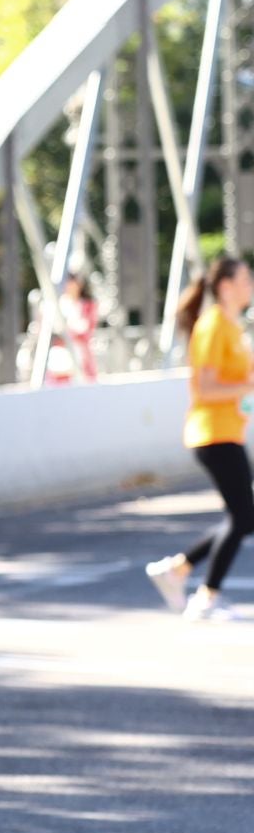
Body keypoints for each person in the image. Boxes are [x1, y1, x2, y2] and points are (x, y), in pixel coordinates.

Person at [147, 255, 254, 622]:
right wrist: (247, 386)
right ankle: (205, 596)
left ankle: (179, 571)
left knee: (245, 517)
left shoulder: (233, 327)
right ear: (225, 286)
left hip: (229, 432)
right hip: (211, 434)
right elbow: (206, 388)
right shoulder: (212, 325)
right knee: (242, 517)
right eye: (245, 279)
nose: (250, 286)